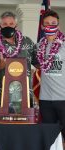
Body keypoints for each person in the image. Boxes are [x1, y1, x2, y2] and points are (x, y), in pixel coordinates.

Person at [0, 11, 38, 107]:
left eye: (11, 24)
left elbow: (37, 63)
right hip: (2, 95)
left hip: (25, 94)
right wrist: (0, 66)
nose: (8, 26)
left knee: (25, 122)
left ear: (16, 25)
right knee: (2, 122)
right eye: (5, 24)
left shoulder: (27, 41)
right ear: (0, 26)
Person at [36, 10, 65, 140]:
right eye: (47, 23)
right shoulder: (39, 46)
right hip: (45, 98)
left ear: (58, 26)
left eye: (53, 23)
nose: (50, 26)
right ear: (42, 26)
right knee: (50, 136)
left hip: (63, 97)